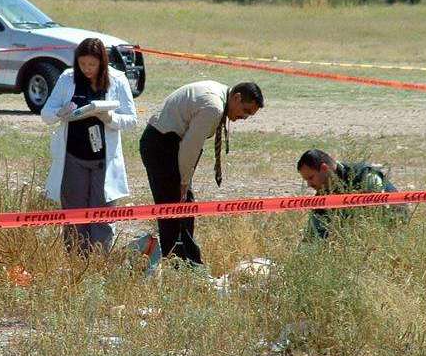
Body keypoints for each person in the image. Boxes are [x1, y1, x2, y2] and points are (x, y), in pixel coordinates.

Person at [139, 81, 264, 265]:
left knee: (184, 207)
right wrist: (183, 182)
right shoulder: (213, 107)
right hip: (162, 145)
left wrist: (184, 182)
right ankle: (177, 265)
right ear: (237, 98)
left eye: (249, 115)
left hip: (169, 143)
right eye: (245, 111)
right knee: (172, 210)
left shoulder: (220, 95)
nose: (244, 117)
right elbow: (190, 148)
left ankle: (188, 262)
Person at [41, 38, 137, 254]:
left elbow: (132, 119)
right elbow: (46, 114)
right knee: (74, 215)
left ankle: (98, 262)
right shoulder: (67, 78)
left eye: (92, 64)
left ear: (102, 62)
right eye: (82, 64)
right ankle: (76, 262)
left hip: (103, 160)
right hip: (73, 157)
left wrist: (110, 118)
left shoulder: (117, 79)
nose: (87, 69)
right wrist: (60, 112)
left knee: (102, 215)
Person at [296, 149, 409, 241]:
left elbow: (381, 216)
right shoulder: (323, 195)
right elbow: (313, 235)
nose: (309, 184)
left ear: (324, 169)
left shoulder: (364, 176)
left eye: (311, 178)